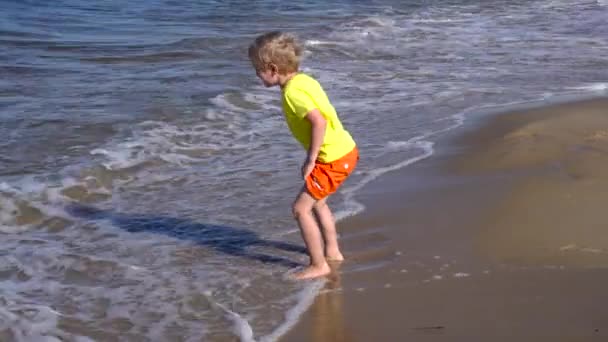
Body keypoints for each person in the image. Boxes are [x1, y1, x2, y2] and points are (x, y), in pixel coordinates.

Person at [248, 31, 359, 280]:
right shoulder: (305, 80)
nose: (256, 75)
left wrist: (311, 159)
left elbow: (318, 122)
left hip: (331, 159)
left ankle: (319, 265)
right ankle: (332, 252)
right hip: (344, 151)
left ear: (273, 68)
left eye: (257, 70)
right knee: (318, 202)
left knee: (300, 209)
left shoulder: (292, 93)